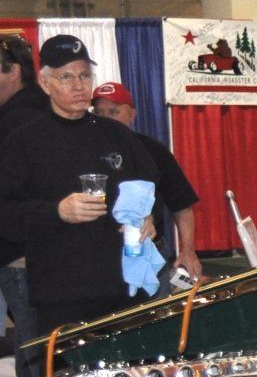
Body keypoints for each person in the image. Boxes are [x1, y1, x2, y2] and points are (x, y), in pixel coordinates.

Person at [0, 35, 158, 339]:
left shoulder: (117, 135)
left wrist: (150, 218)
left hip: (124, 289)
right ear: (45, 84)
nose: (78, 85)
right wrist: (56, 211)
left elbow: (150, 184)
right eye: (66, 77)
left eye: (85, 75)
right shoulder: (23, 143)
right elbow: (5, 214)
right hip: (62, 297)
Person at [92, 82, 204, 283]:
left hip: (148, 251)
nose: (105, 119)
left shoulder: (153, 151)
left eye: (113, 112)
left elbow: (182, 204)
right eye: (98, 113)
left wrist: (188, 250)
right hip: (99, 255)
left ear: (132, 114)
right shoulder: (83, 152)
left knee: (155, 313)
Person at [0, 34, 48, 349]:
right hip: (40, 252)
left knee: (36, 352)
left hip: (22, 255)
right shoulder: (44, 110)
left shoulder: (15, 122)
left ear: (14, 71)